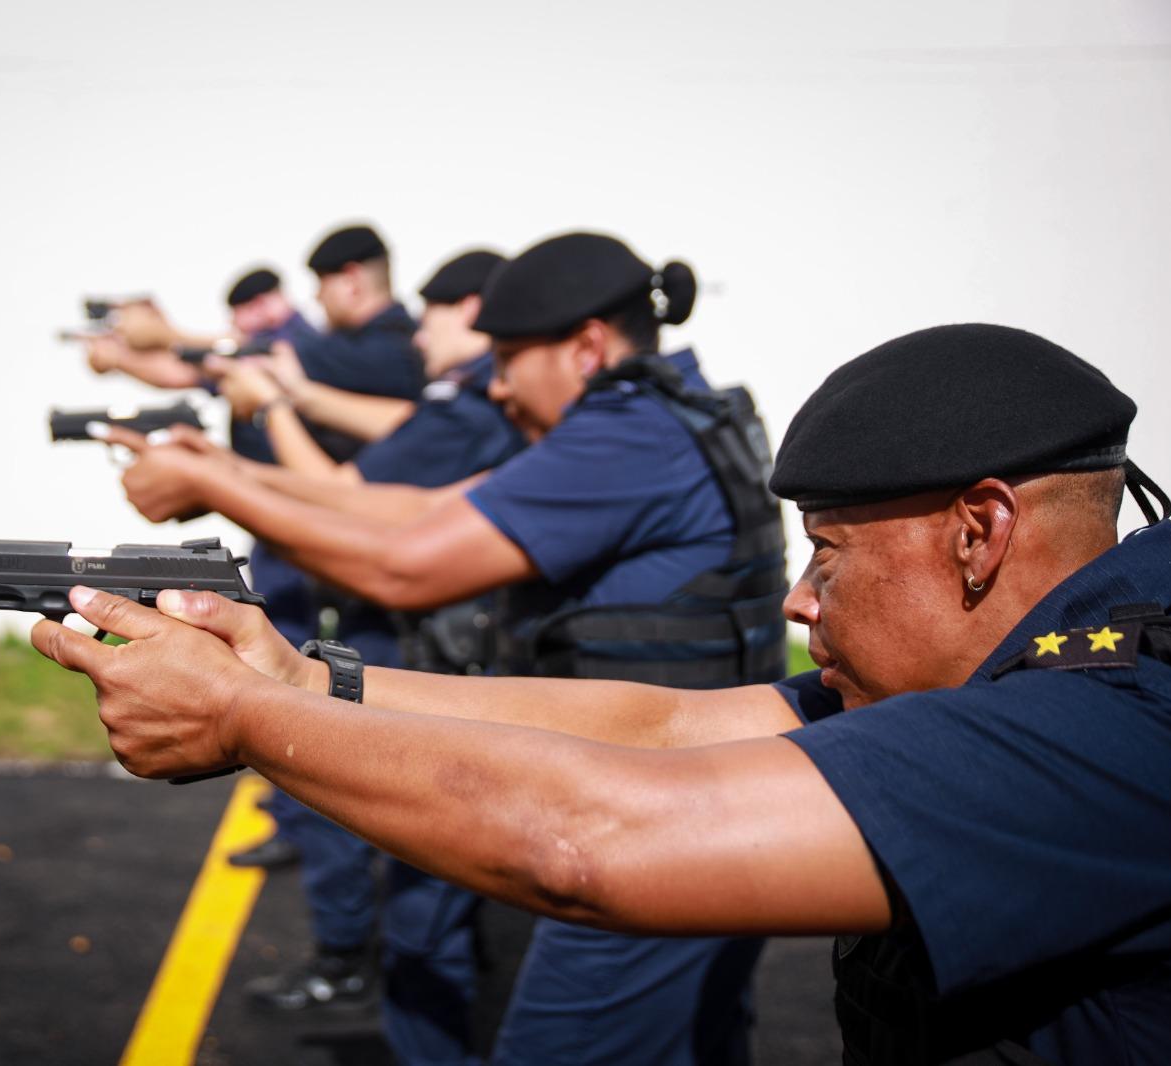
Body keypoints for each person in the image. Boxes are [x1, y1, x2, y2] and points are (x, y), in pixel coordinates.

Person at [33, 323, 1171, 1065]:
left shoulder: (1106, 729)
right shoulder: (1032, 678)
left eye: (829, 554)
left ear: (980, 531)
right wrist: (308, 681)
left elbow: (592, 842)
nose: (800, 600)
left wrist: (244, 718)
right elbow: (661, 725)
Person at [114, 232, 785, 1064]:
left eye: (507, 359)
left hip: (645, 819)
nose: (496, 387)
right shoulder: (674, 414)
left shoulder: (623, 437)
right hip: (696, 796)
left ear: (586, 347)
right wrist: (230, 471)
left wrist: (216, 488)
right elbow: (421, 508)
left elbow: (403, 566)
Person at [113, 250, 527, 1060]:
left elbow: (372, 515)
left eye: (437, 315)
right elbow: (397, 496)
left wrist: (238, 454)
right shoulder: (462, 396)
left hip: (438, 651)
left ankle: (364, 975)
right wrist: (231, 460)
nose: (420, 333)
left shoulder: (463, 396)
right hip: (448, 653)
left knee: (415, 881)